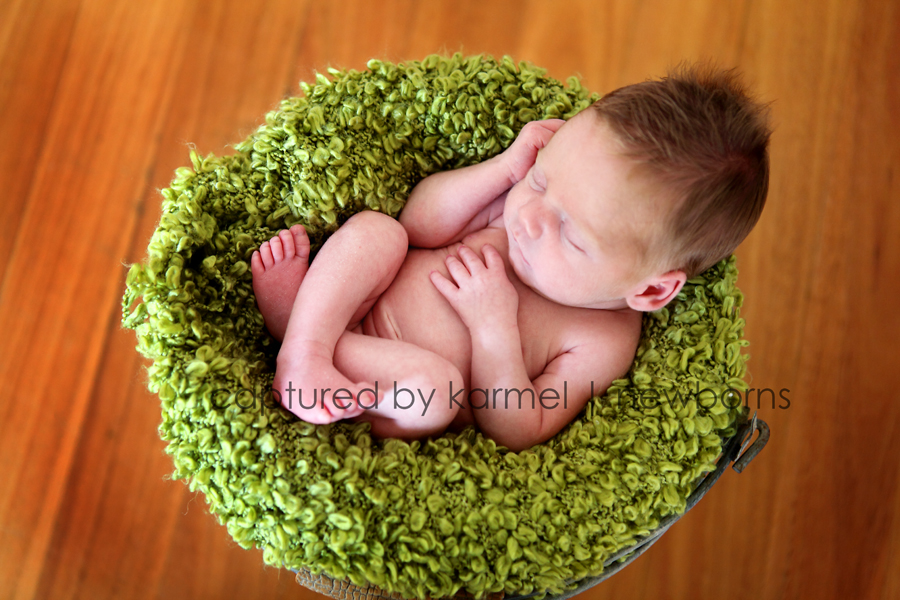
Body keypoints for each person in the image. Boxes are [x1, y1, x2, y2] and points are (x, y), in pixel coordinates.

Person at [250, 63, 771, 452]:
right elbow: (419, 226)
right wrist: (503, 170)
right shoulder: (522, 205)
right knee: (379, 232)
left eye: (571, 233)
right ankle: (304, 345)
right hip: (353, 303)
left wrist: (492, 325)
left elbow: (519, 425)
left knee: (436, 391)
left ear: (651, 288)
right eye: (542, 177)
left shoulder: (602, 340)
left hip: (386, 392)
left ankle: (303, 342)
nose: (531, 216)